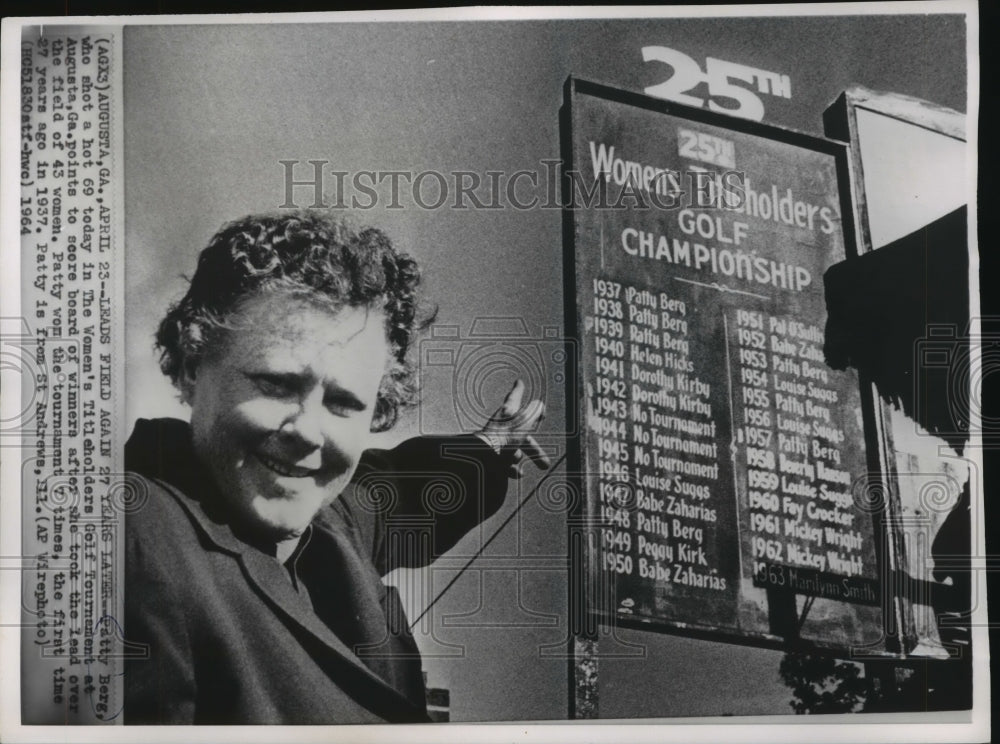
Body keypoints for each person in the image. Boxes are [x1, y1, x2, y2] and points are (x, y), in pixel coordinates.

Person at [123, 211, 548, 724]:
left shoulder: (332, 526)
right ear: (193, 366)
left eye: (345, 403)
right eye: (276, 383)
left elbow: (398, 491)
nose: (309, 431)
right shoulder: (127, 537)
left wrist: (488, 446)